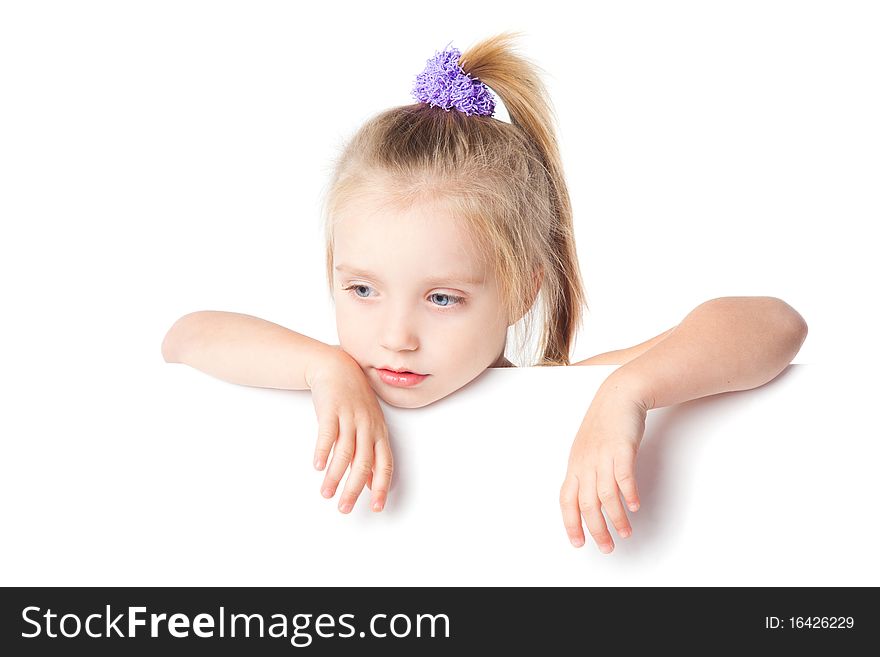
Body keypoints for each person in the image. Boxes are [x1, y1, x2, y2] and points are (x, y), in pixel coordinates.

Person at [161, 32, 807, 554]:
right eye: (362, 288)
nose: (396, 335)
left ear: (523, 290)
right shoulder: (330, 376)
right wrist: (323, 365)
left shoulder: (570, 404)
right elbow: (185, 336)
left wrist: (627, 392)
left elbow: (779, 325)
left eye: (441, 298)